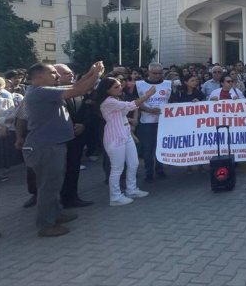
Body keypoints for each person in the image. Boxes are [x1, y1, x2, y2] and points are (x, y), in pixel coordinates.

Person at [22, 61, 103, 237]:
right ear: (38, 77)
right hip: (45, 147)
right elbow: (79, 90)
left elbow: (75, 86)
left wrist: (90, 72)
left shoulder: (45, 91)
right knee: (48, 187)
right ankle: (46, 225)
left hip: (51, 145)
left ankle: (55, 214)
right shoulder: (41, 92)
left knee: (54, 184)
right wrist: (96, 75)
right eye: (52, 73)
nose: (57, 76)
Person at [97, 77, 155, 206]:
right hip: (115, 137)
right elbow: (130, 105)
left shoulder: (115, 100)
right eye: (115, 87)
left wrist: (131, 132)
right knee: (117, 168)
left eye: (119, 86)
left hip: (126, 134)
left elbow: (124, 113)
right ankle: (115, 196)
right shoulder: (108, 101)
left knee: (133, 163)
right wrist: (147, 95)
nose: (120, 88)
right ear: (107, 90)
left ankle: (131, 189)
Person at [53, 64, 94, 209]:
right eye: (64, 73)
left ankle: (71, 197)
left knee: (73, 168)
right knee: (57, 172)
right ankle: (54, 202)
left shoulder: (79, 92)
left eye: (70, 72)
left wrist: (83, 124)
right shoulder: (50, 93)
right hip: (58, 140)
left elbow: (86, 111)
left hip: (77, 137)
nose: (70, 75)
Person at [134, 62, 173, 182]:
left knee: (160, 147)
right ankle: (149, 172)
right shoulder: (139, 85)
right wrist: (149, 109)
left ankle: (160, 169)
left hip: (164, 122)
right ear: (148, 72)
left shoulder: (168, 84)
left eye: (160, 73)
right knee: (148, 148)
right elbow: (134, 102)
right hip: (147, 122)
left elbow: (174, 101)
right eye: (154, 73)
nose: (157, 75)